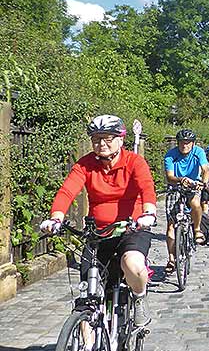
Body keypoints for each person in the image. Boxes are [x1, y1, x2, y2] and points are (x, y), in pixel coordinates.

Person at [40, 115, 157, 327]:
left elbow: (146, 187)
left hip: (131, 228)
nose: (101, 144)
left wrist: (148, 212)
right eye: (96, 139)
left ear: (121, 139)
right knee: (87, 295)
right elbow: (67, 191)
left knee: (132, 264)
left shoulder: (134, 162)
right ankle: (87, 350)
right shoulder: (85, 165)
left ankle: (139, 297)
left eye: (107, 138)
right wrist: (56, 217)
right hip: (98, 232)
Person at [163, 128, 209, 272]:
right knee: (171, 225)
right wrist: (180, 179)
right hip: (175, 186)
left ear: (193, 143)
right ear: (178, 143)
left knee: (195, 203)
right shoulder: (171, 155)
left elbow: (205, 169)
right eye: (182, 143)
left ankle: (197, 230)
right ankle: (171, 258)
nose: (185, 145)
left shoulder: (198, 152)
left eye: (188, 143)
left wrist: (203, 183)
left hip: (194, 185)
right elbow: (169, 176)